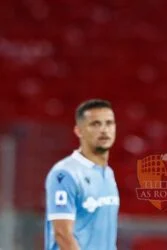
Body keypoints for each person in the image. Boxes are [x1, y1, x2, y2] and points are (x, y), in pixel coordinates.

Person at [44, 99, 119, 250]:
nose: (104, 130)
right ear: (79, 131)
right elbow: (62, 235)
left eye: (109, 123)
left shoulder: (108, 173)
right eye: (95, 124)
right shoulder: (65, 174)